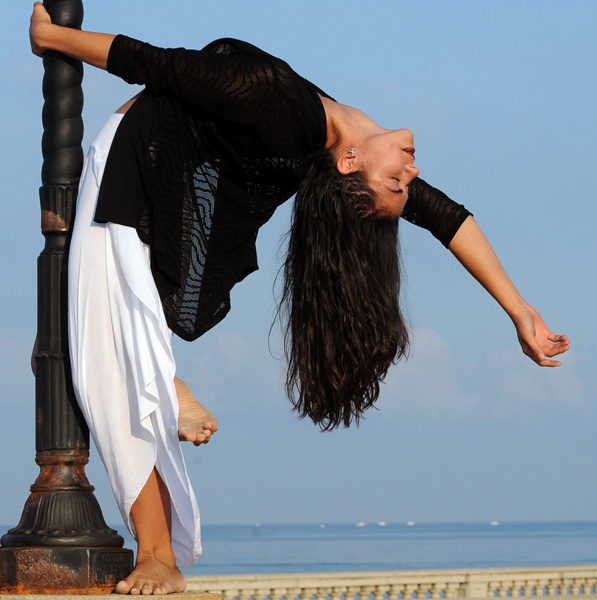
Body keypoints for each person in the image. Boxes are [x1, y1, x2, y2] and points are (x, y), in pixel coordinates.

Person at [29, 3, 569, 595]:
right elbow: (446, 215)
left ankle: (158, 552)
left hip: (144, 189)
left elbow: (151, 64)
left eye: (398, 185)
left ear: (349, 163)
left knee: (109, 369)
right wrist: (520, 311)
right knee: (120, 360)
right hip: (158, 179)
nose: (411, 178)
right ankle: (164, 390)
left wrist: (53, 36)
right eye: (402, 185)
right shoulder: (314, 128)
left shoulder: (292, 117)